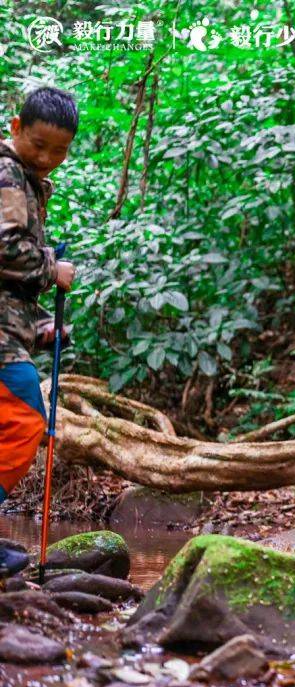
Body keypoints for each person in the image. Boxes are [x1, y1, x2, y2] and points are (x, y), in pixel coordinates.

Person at [0, 87, 79, 576]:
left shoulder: (25, 179)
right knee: (26, 419)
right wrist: (54, 268)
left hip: (10, 328)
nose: (48, 158)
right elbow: (6, 247)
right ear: (14, 129)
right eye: (38, 144)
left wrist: (43, 327)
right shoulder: (8, 172)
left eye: (60, 150)